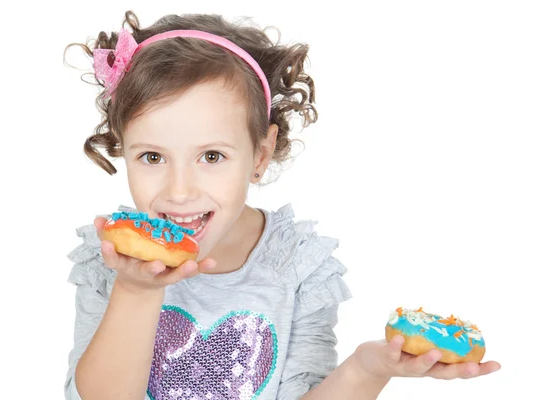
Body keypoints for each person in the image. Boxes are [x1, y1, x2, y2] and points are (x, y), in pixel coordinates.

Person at [63, 10, 500, 400]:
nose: (180, 190)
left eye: (211, 156)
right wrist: (137, 290)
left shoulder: (297, 265)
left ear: (260, 154)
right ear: (124, 150)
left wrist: (370, 368)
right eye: (153, 157)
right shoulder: (110, 258)